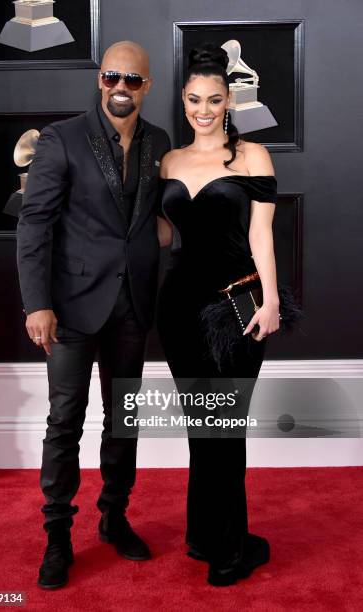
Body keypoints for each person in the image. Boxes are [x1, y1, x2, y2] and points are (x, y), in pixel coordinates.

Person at [16, 40, 171, 589]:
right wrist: (37, 303)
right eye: (112, 78)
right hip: (72, 307)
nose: (121, 88)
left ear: (146, 85)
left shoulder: (159, 142)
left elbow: (151, 217)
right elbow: (34, 224)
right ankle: (58, 533)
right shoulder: (62, 139)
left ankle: (114, 516)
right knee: (65, 422)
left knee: (123, 420)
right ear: (99, 81)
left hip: (134, 304)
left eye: (133, 79)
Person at [156, 43, 280, 587]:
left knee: (225, 429)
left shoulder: (252, 156)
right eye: (192, 100)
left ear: (228, 101)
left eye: (213, 99)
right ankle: (206, 535)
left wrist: (272, 301)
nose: (202, 110)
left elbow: (261, 235)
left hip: (237, 305)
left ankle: (232, 547)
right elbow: (164, 235)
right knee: (201, 430)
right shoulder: (170, 161)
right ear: (183, 101)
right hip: (179, 309)